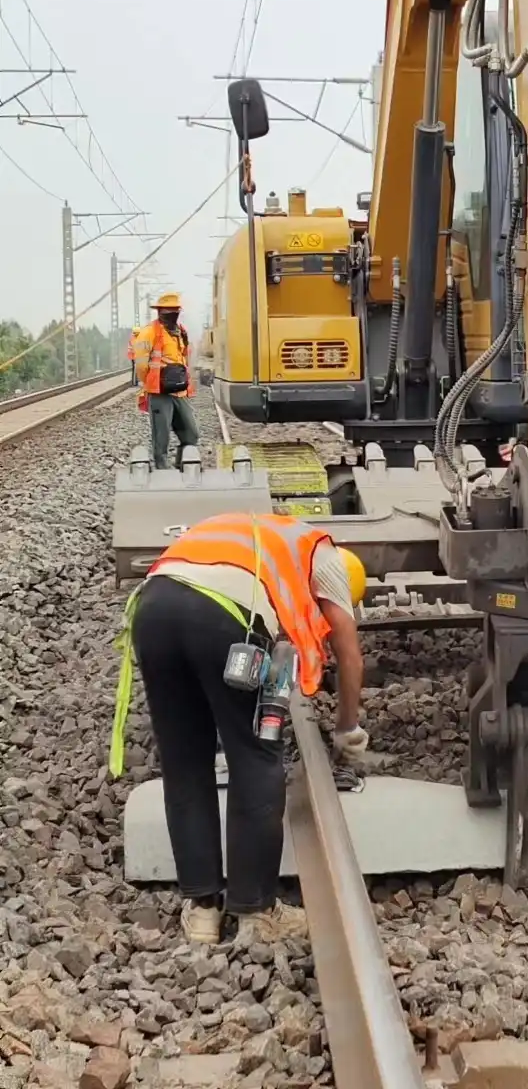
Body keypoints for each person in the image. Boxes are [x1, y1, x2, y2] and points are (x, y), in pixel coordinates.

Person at [110, 512, 371, 946]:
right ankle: (256, 910)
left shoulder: (261, 535)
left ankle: (202, 911)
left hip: (153, 610)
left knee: (184, 762)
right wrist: (348, 728)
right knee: (255, 756)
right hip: (221, 617)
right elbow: (349, 652)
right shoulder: (324, 556)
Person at [132, 292, 200, 469]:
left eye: (175, 309)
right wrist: (149, 383)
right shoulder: (149, 332)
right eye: (169, 310)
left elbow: (184, 358)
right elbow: (141, 364)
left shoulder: (180, 332)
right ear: (160, 311)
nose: (172, 313)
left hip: (179, 391)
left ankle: (182, 464)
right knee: (161, 436)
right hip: (159, 392)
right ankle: (162, 469)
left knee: (191, 434)